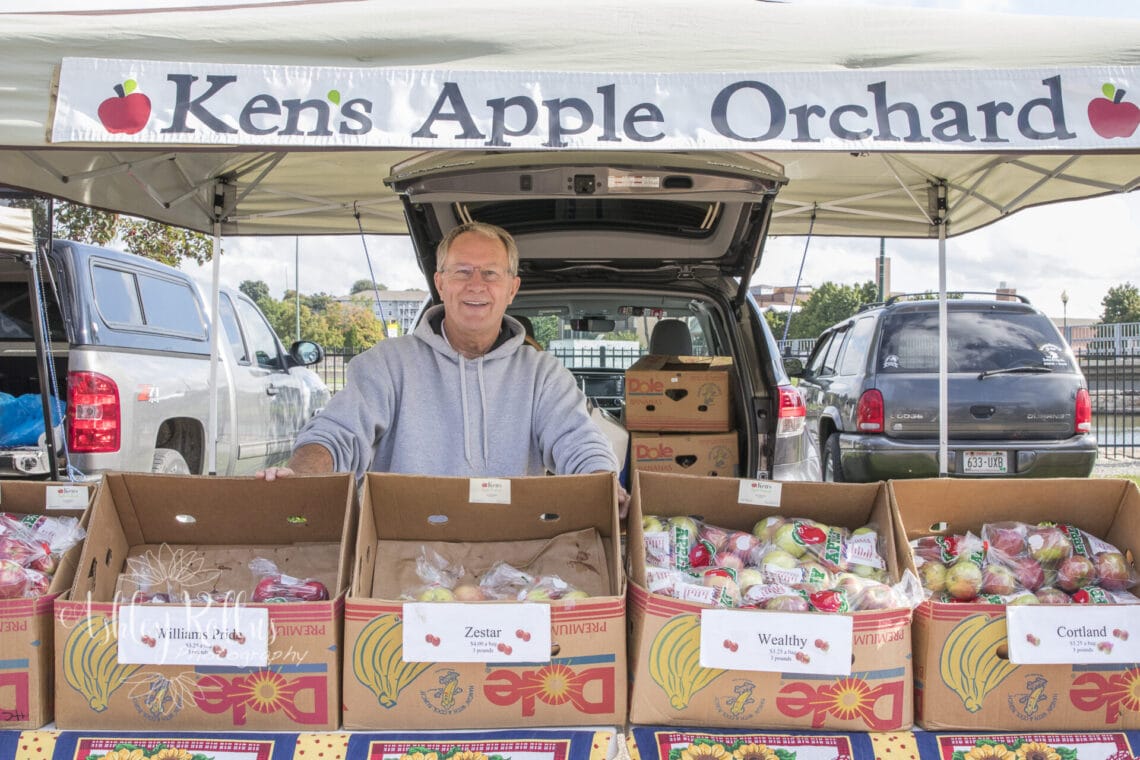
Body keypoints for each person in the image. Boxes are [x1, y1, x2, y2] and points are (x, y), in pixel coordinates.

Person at [259, 221, 629, 513]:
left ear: (512, 288)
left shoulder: (542, 375)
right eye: (462, 271)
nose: (475, 285)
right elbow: (336, 433)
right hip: (400, 554)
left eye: (490, 273)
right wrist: (303, 475)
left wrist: (601, 480)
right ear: (440, 282)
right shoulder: (387, 364)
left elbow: (577, 440)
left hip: (512, 557)